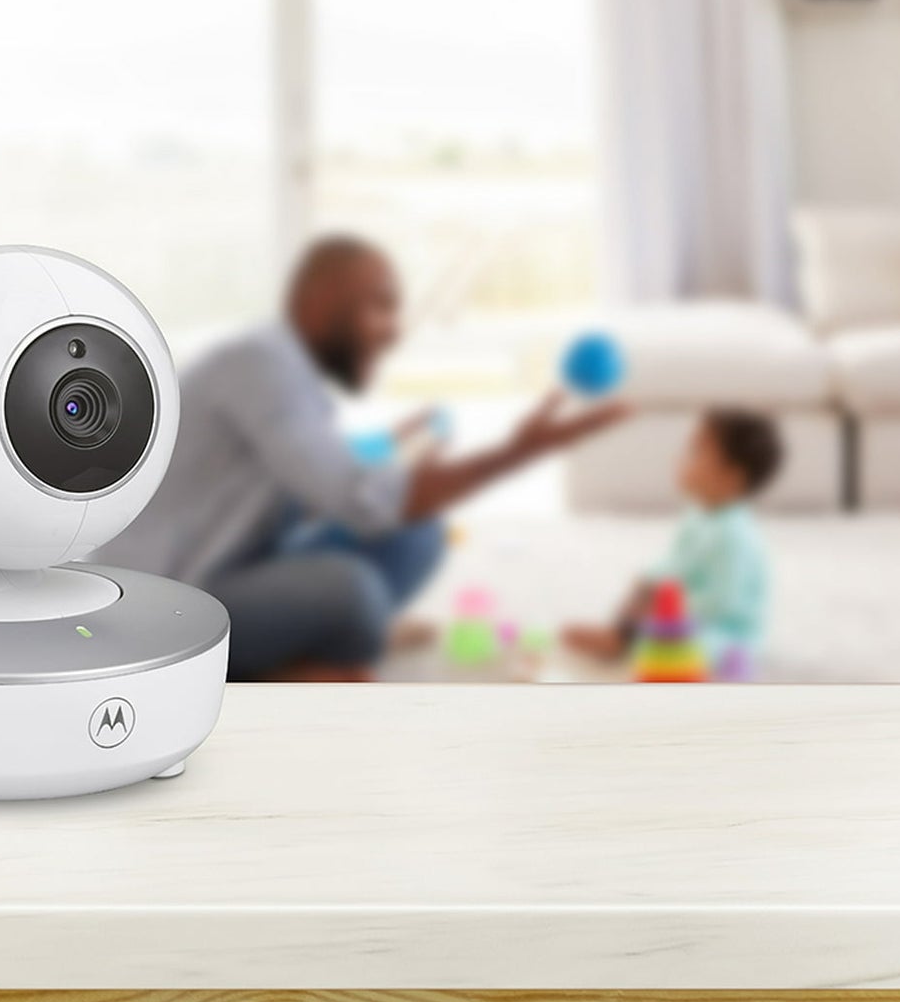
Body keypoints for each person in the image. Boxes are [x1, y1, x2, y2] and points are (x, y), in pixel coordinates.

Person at [100, 235, 627, 680]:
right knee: (353, 590)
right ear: (322, 300)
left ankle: (316, 649)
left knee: (416, 534)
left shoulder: (285, 371)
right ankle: (283, 674)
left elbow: (319, 483)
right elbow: (357, 499)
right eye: (380, 305)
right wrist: (522, 450)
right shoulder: (262, 367)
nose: (393, 329)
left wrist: (395, 449)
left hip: (237, 558)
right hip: (170, 605)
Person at [564, 407, 783, 668]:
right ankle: (619, 635)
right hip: (681, 608)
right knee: (646, 591)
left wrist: (669, 605)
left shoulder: (735, 536)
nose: (681, 459)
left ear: (731, 477)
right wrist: (651, 580)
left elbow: (721, 601)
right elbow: (676, 560)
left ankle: (626, 641)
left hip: (726, 630)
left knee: (687, 646)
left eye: (696, 453)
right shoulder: (698, 515)